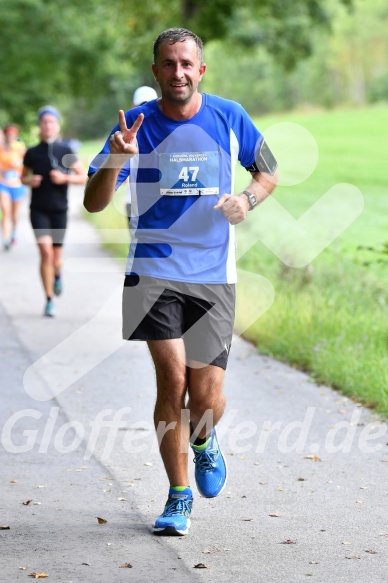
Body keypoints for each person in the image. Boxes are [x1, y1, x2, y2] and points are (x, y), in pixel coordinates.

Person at [84, 28, 278, 536]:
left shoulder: (229, 117)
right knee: (172, 381)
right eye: (168, 64)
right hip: (152, 268)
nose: (178, 73)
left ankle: (203, 440)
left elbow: (268, 173)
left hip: (214, 274)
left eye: (186, 63)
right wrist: (116, 160)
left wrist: (248, 200)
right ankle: (178, 495)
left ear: (201, 69)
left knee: (207, 395)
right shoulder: (133, 129)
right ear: (156, 72)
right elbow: (93, 202)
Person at [21, 106, 87, 317]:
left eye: (51, 122)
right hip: (38, 210)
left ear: (57, 125)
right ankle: (49, 300)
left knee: (56, 259)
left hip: (59, 210)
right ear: (39, 126)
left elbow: (84, 176)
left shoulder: (66, 151)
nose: (48, 125)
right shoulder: (32, 152)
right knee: (45, 253)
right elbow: (22, 177)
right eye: (44, 122)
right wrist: (29, 180)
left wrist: (65, 178)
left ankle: (57, 275)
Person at [125, 86, 159, 223]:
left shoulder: (165, 131)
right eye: (141, 105)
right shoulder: (127, 134)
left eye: (148, 105)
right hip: (133, 201)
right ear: (133, 106)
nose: (143, 111)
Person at [0, 124, 27, 250]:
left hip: (17, 184)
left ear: (16, 135)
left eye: (13, 134)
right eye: (8, 134)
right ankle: (5, 239)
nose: (10, 136)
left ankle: (14, 232)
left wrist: (18, 164)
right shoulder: (1, 149)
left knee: (14, 214)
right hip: (3, 183)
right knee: (6, 212)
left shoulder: (20, 148)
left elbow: (27, 164)